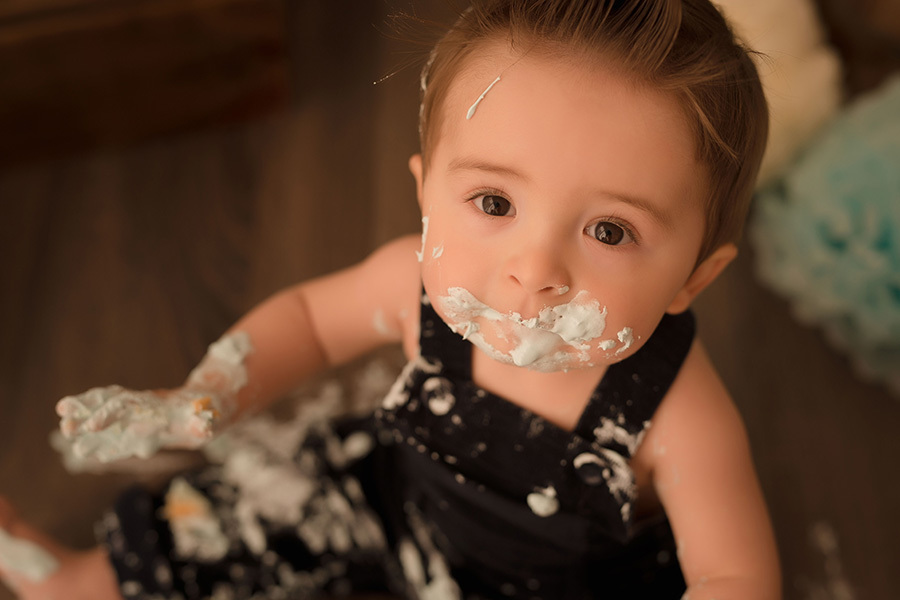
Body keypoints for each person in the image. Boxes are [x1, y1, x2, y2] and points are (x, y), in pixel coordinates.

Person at [0, 0, 781, 598]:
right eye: (495, 204)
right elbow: (309, 322)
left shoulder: (681, 414)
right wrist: (205, 395)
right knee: (237, 516)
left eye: (609, 230)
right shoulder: (413, 288)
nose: (533, 268)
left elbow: (735, 576)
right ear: (426, 196)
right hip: (398, 501)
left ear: (693, 278)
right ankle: (77, 579)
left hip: (562, 587)